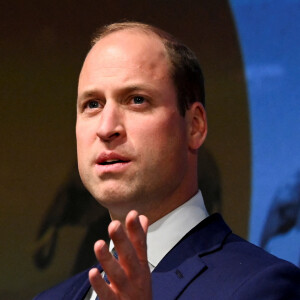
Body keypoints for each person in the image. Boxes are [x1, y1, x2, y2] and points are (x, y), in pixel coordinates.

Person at [34, 21, 300, 300]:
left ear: (194, 126)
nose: (106, 127)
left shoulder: (264, 287)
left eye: (137, 100)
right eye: (92, 104)